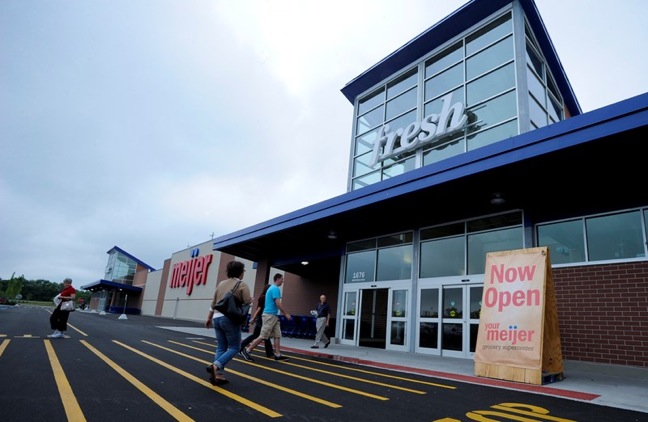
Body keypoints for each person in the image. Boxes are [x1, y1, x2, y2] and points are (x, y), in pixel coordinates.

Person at [204, 260, 253, 385]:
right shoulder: (242, 285)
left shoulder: (221, 284)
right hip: (230, 319)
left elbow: (213, 303)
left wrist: (209, 318)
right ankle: (215, 366)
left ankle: (218, 376)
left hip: (216, 317)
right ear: (241, 272)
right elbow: (248, 302)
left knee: (221, 347)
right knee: (235, 347)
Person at [242, 273, 291, 361]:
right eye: (282, 279)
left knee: (277, 335)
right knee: (263, 335)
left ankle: (278, 355)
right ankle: (248, 350)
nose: (283, 281)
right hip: (270, 315)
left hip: (273, 315)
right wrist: (286, 314)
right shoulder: (275, 289)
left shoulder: (271, 288)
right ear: (278, 279)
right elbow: (278, 303)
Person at [238, 283, 274, 360]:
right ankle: (269, 353)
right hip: (261, 318)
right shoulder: (264, 297)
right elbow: (259, 308)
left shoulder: (264, 297)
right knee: (264, 335)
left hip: (261, 317)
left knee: (258, 335)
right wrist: (253, 318)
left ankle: (241, 347)